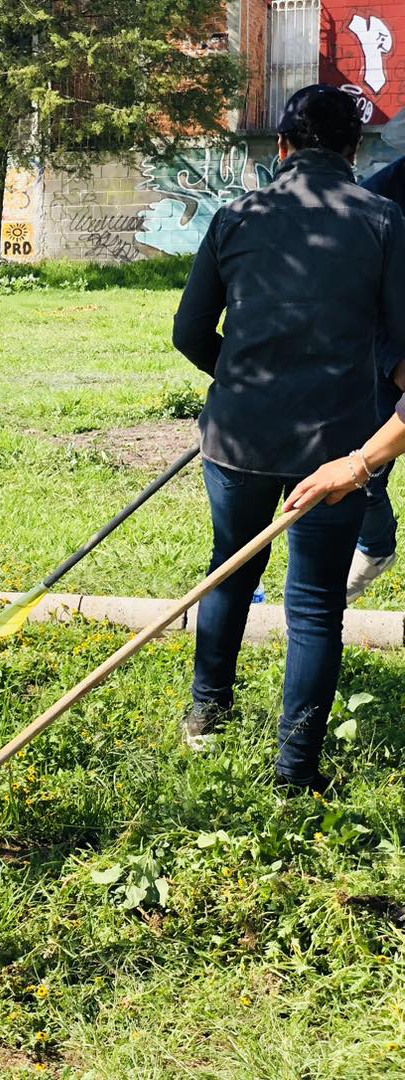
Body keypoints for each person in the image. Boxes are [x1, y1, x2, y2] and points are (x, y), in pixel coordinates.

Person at [171, 84, 405, 795]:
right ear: (354, 150)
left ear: (281, 147)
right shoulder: (384, 220)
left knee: (230, 568)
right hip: (337, 445)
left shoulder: (234, 215)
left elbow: (188, 333)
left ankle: (207, 715)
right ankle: (294, 774)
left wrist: (240, 382)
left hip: (236, 438)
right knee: (313, 606)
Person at [346, 155, 405, 603]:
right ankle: (375, 546)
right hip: (388, 350)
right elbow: (362, 291)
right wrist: (395, 357)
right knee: (359, 469)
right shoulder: (381, 196)